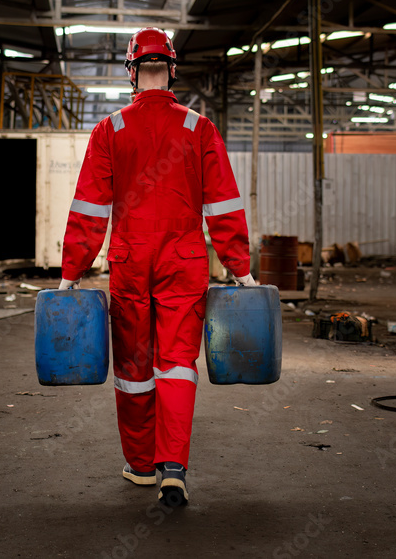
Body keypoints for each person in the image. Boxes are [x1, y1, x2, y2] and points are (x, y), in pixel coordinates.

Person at [58, 27, 256, 507]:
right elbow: (224, 205)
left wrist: (72, 271)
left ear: (131, 72)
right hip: (184, 261)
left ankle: (142, 465)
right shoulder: (198, 128)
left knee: (133, 368)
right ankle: (174, 468)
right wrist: (240, 268)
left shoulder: (111, 130)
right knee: (177, 365)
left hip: (129, 260)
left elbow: (90, 208)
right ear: (172, 69)